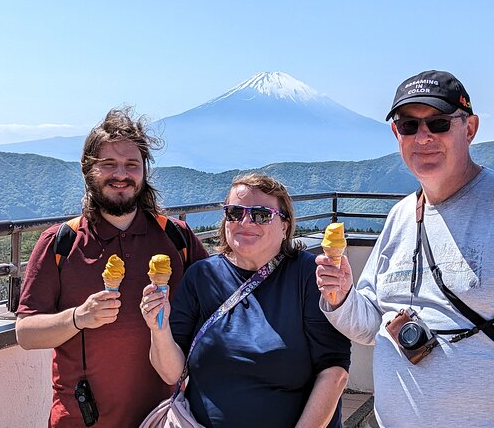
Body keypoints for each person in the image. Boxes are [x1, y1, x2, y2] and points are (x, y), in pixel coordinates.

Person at [316, 70, 494, 427]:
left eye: (438, 123)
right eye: (408, 126)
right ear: (395, 134)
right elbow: (372, 325)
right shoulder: (400, 217)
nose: (423, 137)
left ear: (470, 128)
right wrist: (341, 297)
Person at [15, 107, 208, 427]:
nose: (121, 173)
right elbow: (26, 334)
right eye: (109, 164)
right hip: (81, 419)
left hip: (163, 418)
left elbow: (218, 309)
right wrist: (80, 317)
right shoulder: (61, 243)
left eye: (132, 164)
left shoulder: (176, 239)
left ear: (144, 171)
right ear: (87, 170)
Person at [140, 173, 351, 428]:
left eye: (261, 215)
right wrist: (158, 329)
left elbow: (334, 372)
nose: (246, 221)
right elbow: (170, 372)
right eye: (235, 213)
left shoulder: (308, 275)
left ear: (284, 225)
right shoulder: (201, 276)